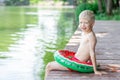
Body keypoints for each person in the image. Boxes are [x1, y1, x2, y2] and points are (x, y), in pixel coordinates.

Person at [44, 10, 119, 79]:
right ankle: (116, 67)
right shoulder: (84, 33)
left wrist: (95, 70)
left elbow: (92, 53)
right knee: (103, 66)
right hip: (75, 60)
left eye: (86, 23)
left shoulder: (91, 36)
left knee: (49, 65)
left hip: (76, 64)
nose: (83, 25)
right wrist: (90, 63)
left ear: (92, 24)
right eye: (81, 22)